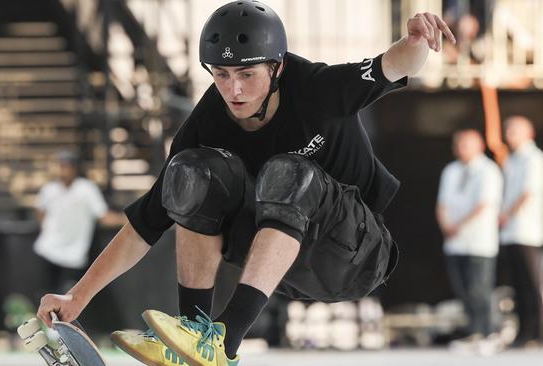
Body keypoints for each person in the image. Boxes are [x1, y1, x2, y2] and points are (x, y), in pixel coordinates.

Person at [37, 2, 456, 365]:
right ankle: (196, 337)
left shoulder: (316, 88)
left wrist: (417, 41)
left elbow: (392, 65)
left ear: (277, 67)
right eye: (220, 74)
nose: (233, 90)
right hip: (284, 266)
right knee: (190, 171)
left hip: (356, 254)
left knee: (286, 171)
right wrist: (77, 297)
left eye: (247, 74)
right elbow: (144, 224)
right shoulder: (207, 121)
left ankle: (224, 341)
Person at [436, 130, 502, 349]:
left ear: (479, 145)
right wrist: (446, 225)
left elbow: (483, 204)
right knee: (463, 289)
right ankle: (472, 329)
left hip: (478, 241)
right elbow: (442, 203)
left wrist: (458, 225)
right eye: (459, 144)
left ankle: (485, 331)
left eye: (466, 144)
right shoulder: (451, 170)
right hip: (454, 242)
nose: (461, 148)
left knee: (479, 289)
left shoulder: (488, 170)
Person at [34, 150, 125, 294]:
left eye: (68, 166)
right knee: (45, 297)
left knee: (68, 300)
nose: (64, 169)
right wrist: (47, 228)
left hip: (73, 255)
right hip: (48, 250)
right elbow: (40, 210)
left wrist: (129, 219)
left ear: (75, 168)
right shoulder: (49, 189)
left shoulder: (86, 189)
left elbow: (104, 216)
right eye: (62, 165)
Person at [499, 116, 543, 347]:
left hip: (526, 230)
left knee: (532, 285)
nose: (509, 134)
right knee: (518, 286)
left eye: (514, 130)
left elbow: (528, 192)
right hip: (510, 231)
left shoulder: (534, 158)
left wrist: (507, 215)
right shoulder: (513, 159)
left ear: (529, 133)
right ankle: (523, 331)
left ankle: (538, 333)